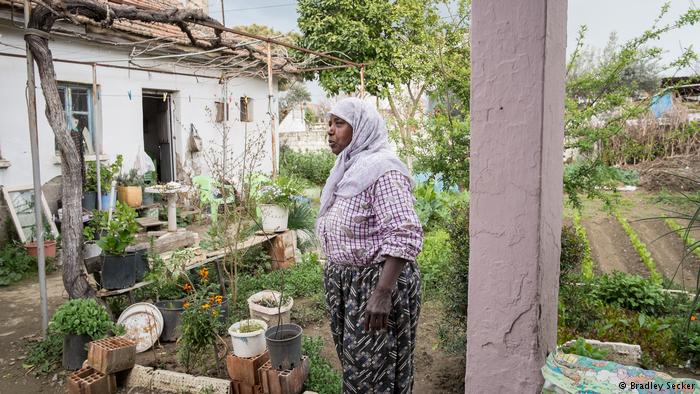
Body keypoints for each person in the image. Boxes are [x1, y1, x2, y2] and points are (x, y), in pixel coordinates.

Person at [316, 97, 423, 393]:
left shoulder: (382, 169)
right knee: (357, 368)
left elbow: (405, 233)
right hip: (349, 287)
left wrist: (382, 293)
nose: (330, 130)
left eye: (339, 124)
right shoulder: (348, 167)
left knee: (377, 373)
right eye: (329, 123)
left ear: (361, 128)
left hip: (375, 286)